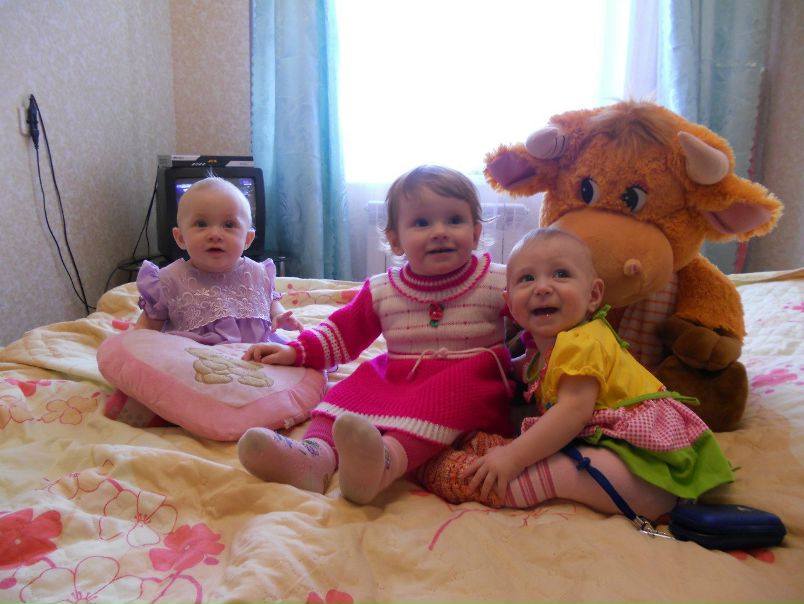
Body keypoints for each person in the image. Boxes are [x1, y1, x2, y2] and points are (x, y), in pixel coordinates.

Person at [237, 165, 515, 505]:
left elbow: (535, 319)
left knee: (443, 398)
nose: (440, 232)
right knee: (347, 392)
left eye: (454, 220)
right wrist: (296, 351)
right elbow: (343, 331)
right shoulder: (384, 289)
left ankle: (385, 462)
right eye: (422, 223)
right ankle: (315, 457)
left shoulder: (498, 281)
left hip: (470, 382)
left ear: (475, 232)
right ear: (395, 240)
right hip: (401, 374)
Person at [419, 228, 734, 520]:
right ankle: (485, 448)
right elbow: (509, 376)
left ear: (593, 295)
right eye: (527, 278)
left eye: (561, 274)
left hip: (649, 471)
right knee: (543, 445)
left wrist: (512, 457)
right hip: (622, 457)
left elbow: (572, 413)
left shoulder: (581, 342)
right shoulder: (542, 349)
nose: (543, 287)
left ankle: (480, 482)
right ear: (510, 305)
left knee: (559, 470)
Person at [104, 176, 301, 424]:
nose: (215, 234)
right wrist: (138, 353)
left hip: (252, 357)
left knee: (290, 366)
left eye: (229, 225)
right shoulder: (169, 280)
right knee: (170, 378)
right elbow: (148, 327)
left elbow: (270, 299)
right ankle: (149, 405)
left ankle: (259, 411)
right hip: (197, 362)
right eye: (201, 224)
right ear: (180, 238)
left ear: (248, 239)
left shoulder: (258, 272)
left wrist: (279, 314)